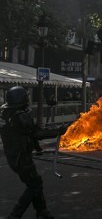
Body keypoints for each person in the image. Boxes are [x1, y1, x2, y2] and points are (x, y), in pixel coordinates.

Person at [0, 86, 67, 219]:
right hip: (21, 158)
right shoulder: (20, 116)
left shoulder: (6, 114)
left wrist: (38, 148)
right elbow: (36, 133)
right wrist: (58, 131)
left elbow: (27, 134)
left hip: (14, 156)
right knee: (34, 185)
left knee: (36, 183)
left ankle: (42, 212)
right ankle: (15, 215)